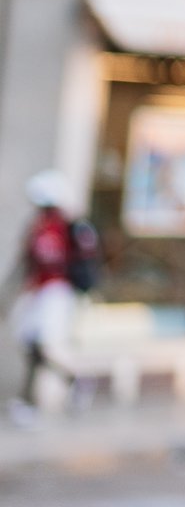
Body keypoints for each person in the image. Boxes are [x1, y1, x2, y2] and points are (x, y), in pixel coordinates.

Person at [9, 172, 85, 420]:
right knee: (30, 344)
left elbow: (44, 261)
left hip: (54, 292)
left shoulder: (58, 227)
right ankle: (64, 384)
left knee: (37, 345)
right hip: (39, 291)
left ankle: (35, 400)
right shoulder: (41, 226)